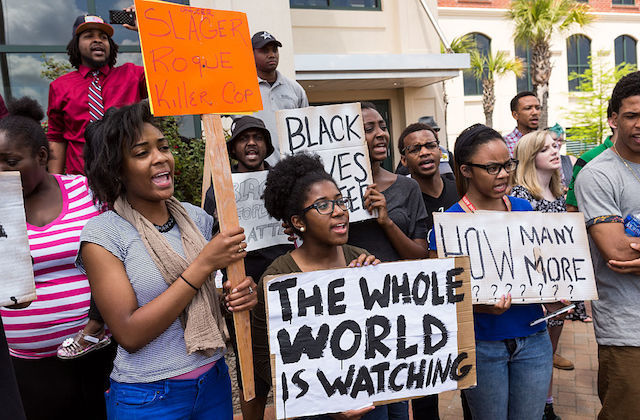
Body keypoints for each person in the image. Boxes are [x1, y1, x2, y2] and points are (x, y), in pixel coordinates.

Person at [78, 100, 257, 418]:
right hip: (148, 398)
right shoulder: (103, 235)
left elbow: (204, 297)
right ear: (116, 169)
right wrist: (203, 264)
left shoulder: (196, 218)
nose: (160, 158)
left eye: (163, 147)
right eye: (142, 152)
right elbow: (130, 334)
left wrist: (234, 296)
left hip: (213, 382)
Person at [429, 124, 552, 420]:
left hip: (534, 338)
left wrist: (558, 284)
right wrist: (479, 306)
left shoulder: (524, 209)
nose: (503, 174)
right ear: (466, 170)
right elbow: (440, 298)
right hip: (481, 347)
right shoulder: (448, 226)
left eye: (507, 165)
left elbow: (543, 268)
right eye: (491, 167)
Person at [0, 97, 111, 419]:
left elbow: (119, 255)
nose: (2, 172)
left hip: (97, 349)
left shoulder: (85, 192)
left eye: (11, 161)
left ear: (42, 156)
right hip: (27, 364)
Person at [252, 153, 386, 420]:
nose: (339, 211)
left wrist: (379, 283)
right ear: (298, 222)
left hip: (371, 403)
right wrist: (325, 400)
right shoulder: (278, 277)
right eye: (323, 205)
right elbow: (263, 358)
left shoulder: (359, 257)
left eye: (340, 201)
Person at [203, 115, 294, 419]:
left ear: (266, 146)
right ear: (234, 148)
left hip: (286, 281)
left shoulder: (285, 181)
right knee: (248, 369)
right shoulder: (219, 187)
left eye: (258, 137)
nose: (251, 143)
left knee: (292, 359)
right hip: (241, 286)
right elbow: (210, 241)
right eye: (244, 138)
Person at [574, 71, 640, 419]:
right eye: (632, 115)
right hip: (629, 330)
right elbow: (617, 251)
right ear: (613, 118)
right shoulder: (599, 174)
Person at [398, 122, 464, 419]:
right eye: (415, 149)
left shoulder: (460, 192)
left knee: (470, 376)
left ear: (441, 151)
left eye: (431, 145)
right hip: (420, 301)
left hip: (463, 296)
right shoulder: (402, 200)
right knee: (425, 382)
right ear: (403, 159)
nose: (425, 152)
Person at [512, 130, 574, 420]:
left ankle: (547, 403)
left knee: (551, 348)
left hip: (560, 281)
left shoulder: (559, 191)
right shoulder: (522, 196)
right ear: (529, 157)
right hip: (536, 286)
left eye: (555, 145)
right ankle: (536, 406)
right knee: (537, 350)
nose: (554, 150)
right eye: (545, 148)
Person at [47, 13, 146, 175]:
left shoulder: (132, 75)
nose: (98, 40)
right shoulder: (59, 86)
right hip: (81, 180)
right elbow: (56, 138)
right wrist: (56, 182)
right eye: (88, 36)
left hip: (129, 177)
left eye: (104, 37)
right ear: (76, 44)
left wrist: (145, 30)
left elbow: (164, 74)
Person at [348, 102, 428, 263]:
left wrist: (387, 222)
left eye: (383, 127)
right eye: (369, 129)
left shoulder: (408, 187)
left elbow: (421, 255)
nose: (380, 134)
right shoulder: (332, 193)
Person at [251, 31, 309, 165]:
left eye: (275, 50)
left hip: (291, 169)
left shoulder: (295, 89)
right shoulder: (240, 90)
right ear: (251, 54)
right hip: (255, 172)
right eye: (264, 51)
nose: (272, 55)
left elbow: (307, 130)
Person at [395, 116, 454, 182]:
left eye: (430, 146)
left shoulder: (447, 153)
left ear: (440, 152)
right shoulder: (406, 186)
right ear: (404, 160)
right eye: (415, 149)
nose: (424, 152)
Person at [504, 91, 541, 156]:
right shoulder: (505, 144)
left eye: (537, 108)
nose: (535, 112)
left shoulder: (546, 141)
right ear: (515, 115)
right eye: (528, 108)